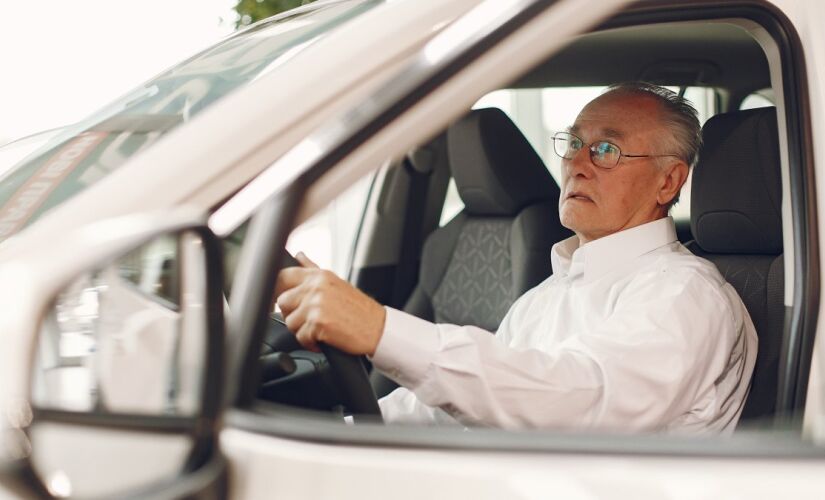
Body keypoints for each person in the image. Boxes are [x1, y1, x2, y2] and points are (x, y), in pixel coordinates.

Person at [275, 82, 757, 433]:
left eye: (606, 149)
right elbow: (451, 412)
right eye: (574, 143)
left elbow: (577, 404)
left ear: (668, 182)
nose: (577, 164)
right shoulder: (548, 294)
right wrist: (344, 432)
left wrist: (379, 329)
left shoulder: (686, 295)